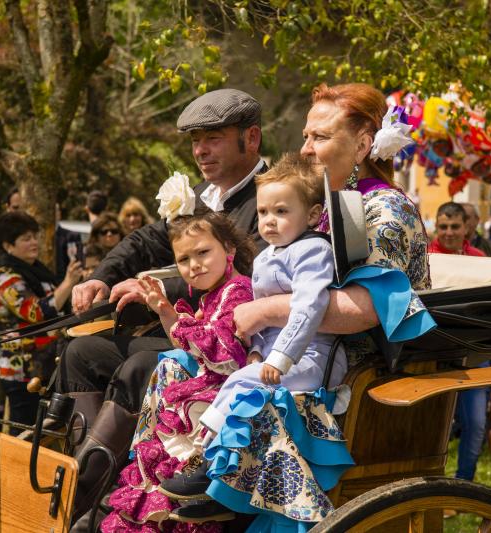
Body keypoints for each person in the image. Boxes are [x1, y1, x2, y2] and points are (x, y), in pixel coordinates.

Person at [193, 83, 432, 530]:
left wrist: (264, 312)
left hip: (360, 379)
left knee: (243, 391)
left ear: (362, 144)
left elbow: (363, 309)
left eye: (319, 137)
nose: (304, 148)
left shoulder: (384, 209)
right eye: (306, 135)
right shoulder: (323, 208)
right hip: (302, 356)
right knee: (177, 368)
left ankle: (220, 486)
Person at [58, 88, 266, 524]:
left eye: (213, 137)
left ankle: (78, 504)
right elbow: (143, 241)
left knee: (139, 368)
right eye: (194, 140)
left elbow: (251, 266)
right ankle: (90, 481)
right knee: (79, 353)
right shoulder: (202, 197)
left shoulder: (271, 197)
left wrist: (156, 284)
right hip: (181, 336)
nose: (200, 150)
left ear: (251, 139)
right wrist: (102, 276)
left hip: (226, 353)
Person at [157, 155, 348, 525]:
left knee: (243, 383)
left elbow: (310, 306)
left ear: (311, 216)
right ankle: (217, 478)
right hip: (276, 354)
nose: (269, 221)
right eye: (263, 213)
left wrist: (279, 357)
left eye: (281, 211)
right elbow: (261, 315)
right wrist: (259, 349)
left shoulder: (313, 250)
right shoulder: (264, 259)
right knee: (242, 382)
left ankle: (208, 459)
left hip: (310, 356)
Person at [101, 205, 256, 531]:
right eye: (184, 260)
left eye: (203, 253)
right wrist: (163, 308)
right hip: (204, 386)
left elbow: (227, 355)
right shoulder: (211, 295)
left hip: (227, 389)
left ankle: (200, 485)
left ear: (229, 249)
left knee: (181, 395)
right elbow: (185, 341)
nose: (194, 265)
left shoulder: (238, 290)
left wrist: (186, 332)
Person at [0, 211, 82, 430]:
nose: (34, 243)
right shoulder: (5, 278)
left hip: (48, 366)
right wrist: (68, 283)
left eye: (35, 237)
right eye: (26, 239)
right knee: (24, 433)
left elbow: (60, 308)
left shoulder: (39, 271)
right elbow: (36, 312)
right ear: (8, 246)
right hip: (21, 370)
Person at [429, 202, 487, 486]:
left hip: (474, 352)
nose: (449, 232)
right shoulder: (426, 256)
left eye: (455, 227)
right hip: (434, 354)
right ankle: (430, 483)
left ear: (467, 227)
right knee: (434, 425)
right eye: (443, 227)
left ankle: (463, 485)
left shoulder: (479, 257)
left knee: (475, 424)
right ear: (436, 228)